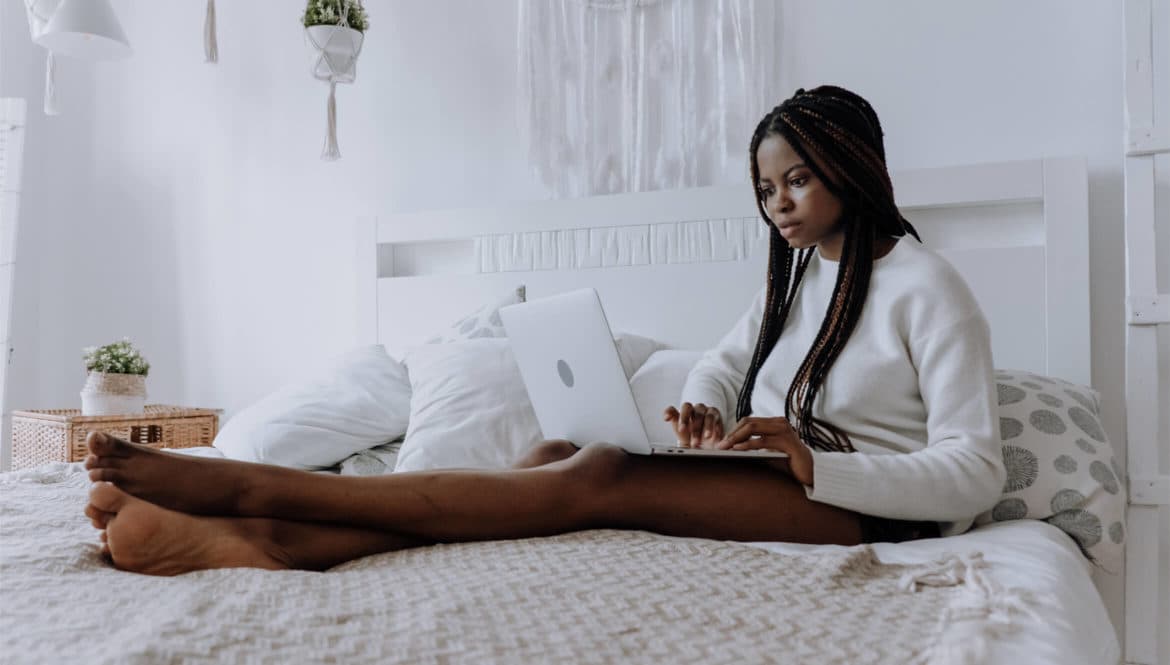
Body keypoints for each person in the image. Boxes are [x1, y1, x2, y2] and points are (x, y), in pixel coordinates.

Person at [83, 85, 1005, 576]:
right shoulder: (802, 280)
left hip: (858, 511)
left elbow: (975, 471)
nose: (779, 205)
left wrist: (815, 463)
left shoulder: (928, 286)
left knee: (599, 473)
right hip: (780, 478)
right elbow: (727, 364)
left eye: (797, 179)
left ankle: (252, 491)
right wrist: (699, 403)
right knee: (560, 446)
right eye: (767, 189)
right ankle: (274, 542)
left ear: (856, 164)